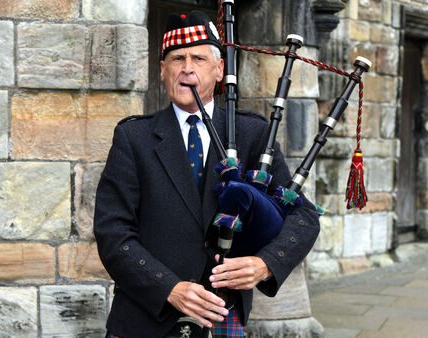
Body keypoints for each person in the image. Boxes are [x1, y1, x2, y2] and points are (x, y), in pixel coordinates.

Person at [94, 10, 320, 338]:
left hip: (221, 312)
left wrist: (265, 264)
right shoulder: (134, 138)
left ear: (219, 70)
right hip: (143, 317)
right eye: (176, 58)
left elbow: (303, 216)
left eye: (199, 58)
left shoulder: (252, 134)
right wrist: (168, 287)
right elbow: (112, 231)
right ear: (162, 71)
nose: (187, 68)